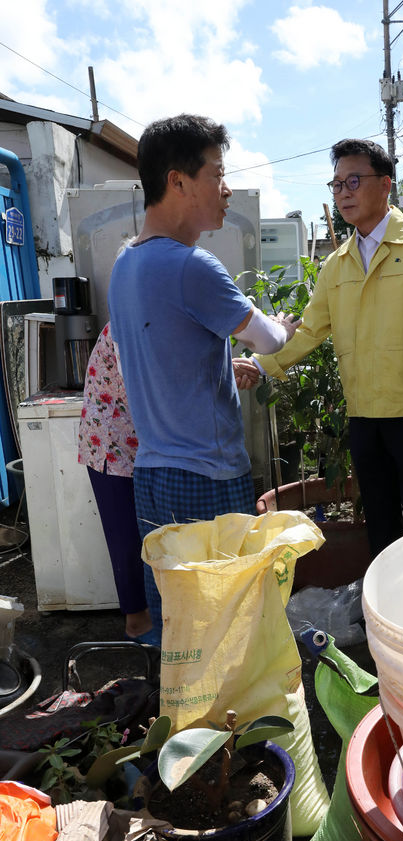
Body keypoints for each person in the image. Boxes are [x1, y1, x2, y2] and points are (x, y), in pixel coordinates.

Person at [108, 114, 299, 632]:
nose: (226, 188)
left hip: (152, 474)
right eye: (217, 172)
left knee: (178, 625)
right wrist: (281, 322)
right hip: (206, 476)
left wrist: (217, 361)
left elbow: (162, 352)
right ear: (178, 181)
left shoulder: (124, 264)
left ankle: (177, 712)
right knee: (224, 626)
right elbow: (270, 340)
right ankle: (227, 714)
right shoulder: (193, 266)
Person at [237, 138, 403, 558]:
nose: (343, 192)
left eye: (354, 181)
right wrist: (260, 363)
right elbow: (308, 330)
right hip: (363, 417)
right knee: (379, 521)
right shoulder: (336, 263)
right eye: (337, 184)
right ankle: (385, 612)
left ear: (385, 185)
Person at [77, 322, 154, 643]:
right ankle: (136, 622)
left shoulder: (144, 317)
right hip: (110, 446)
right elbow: (147, 382)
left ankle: (147, 616)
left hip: (136, 446)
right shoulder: (126, 325)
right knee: (126, 539)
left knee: (141, 535)